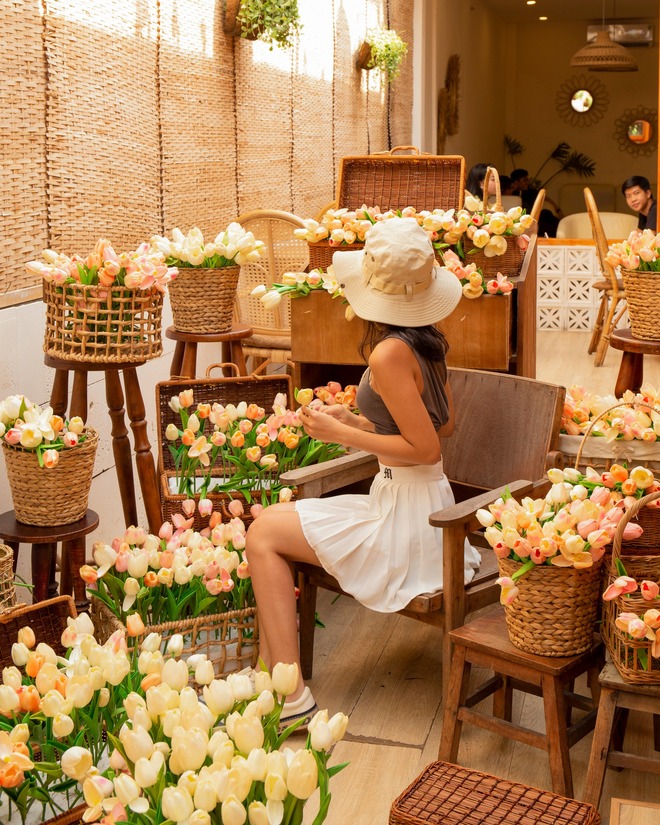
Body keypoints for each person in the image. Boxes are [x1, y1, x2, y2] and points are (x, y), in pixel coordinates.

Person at [246, 218, 481, 726]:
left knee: (263, 532)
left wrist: (343, 435)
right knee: (270, 528)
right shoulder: (425, 341)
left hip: (409, 520)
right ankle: (272, 678)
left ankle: (289, 699)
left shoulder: (389, 351)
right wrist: (355, 418)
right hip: (416, 501)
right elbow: (442, 424)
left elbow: (422, 448)